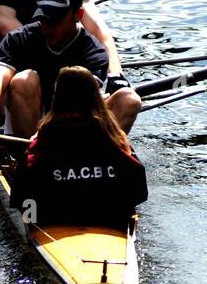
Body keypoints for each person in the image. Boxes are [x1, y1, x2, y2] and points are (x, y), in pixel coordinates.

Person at [0, 0, 142, 142]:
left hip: (73, 123)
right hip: (28, 127)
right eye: (43, 17)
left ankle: (95, 161)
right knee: (23, 80)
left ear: (78, 15)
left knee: (129, 99)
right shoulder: (19, 38)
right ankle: (26, 158)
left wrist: (48, 132)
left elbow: (79, 107)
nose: (47, 25)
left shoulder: (93, 52)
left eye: (55, 18)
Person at [8, 66, 148, 228]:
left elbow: (20, 194)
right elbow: (139, 191)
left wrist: (30, 219)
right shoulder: (114, 137)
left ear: (57, 98)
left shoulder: (45, 137)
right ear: (96, 97)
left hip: (55, 217)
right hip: (107, 216)